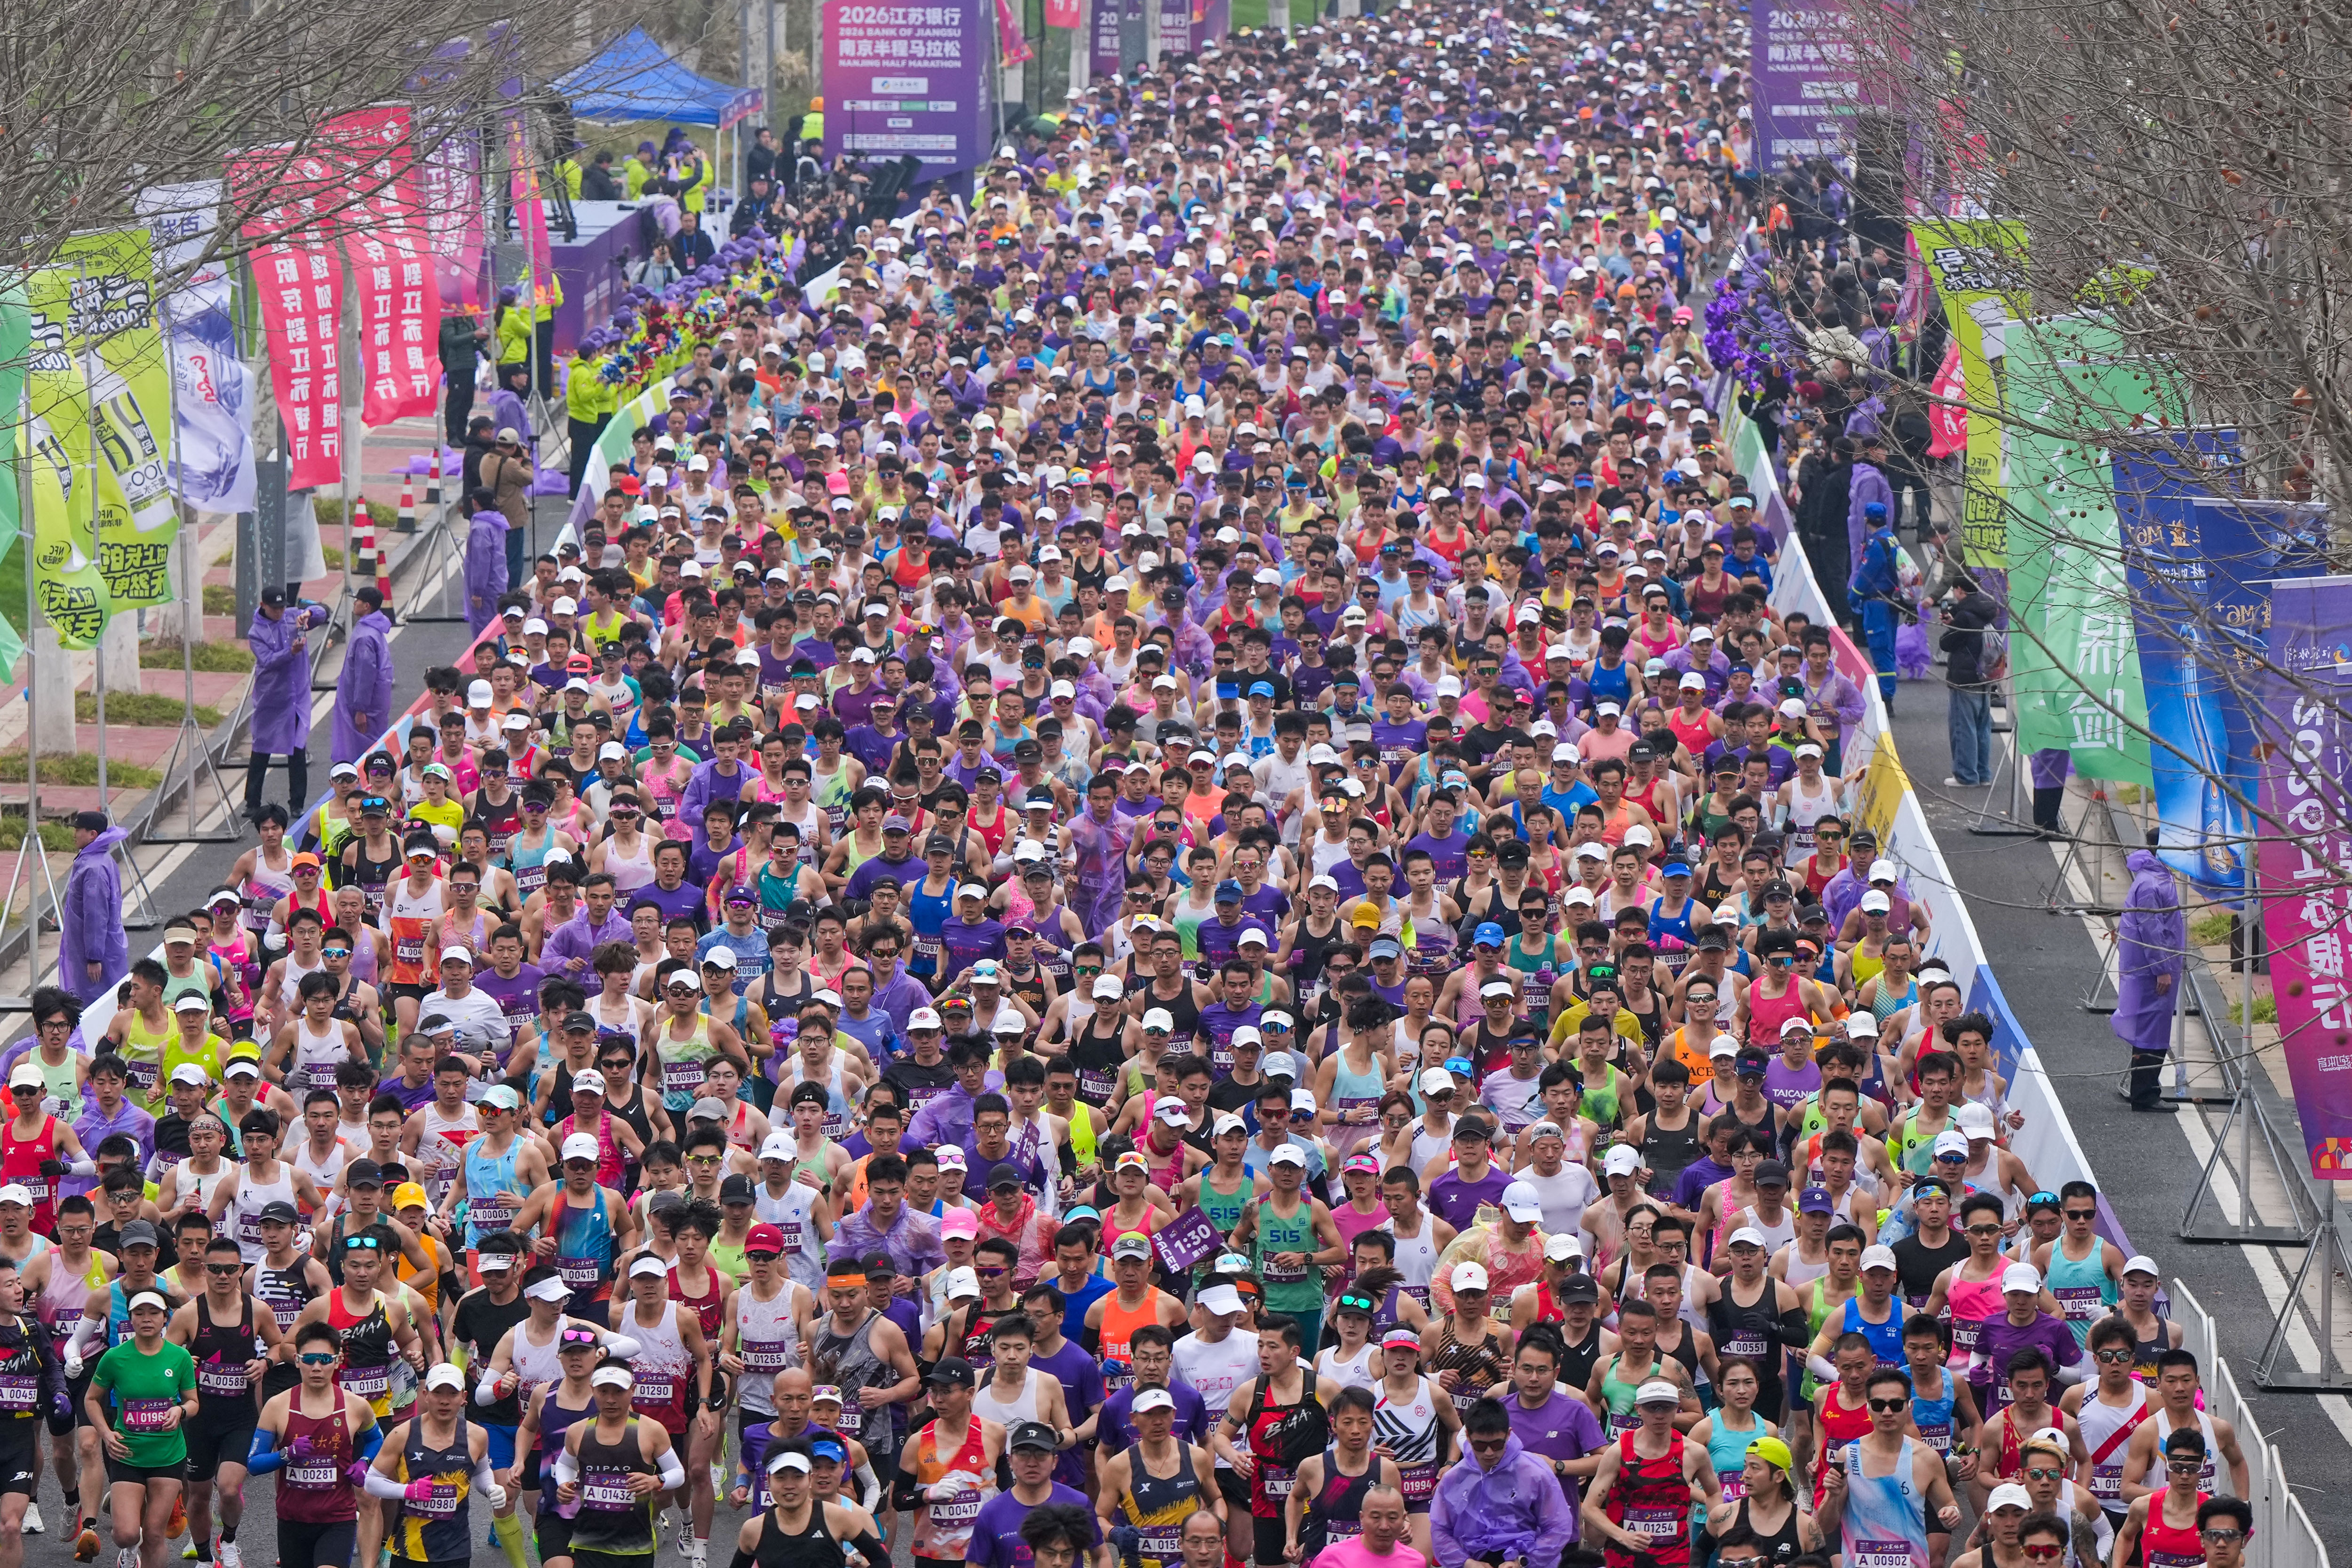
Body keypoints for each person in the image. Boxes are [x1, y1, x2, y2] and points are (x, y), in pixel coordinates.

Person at [244, 1319, 382, 1568]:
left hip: (338, 1518)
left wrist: (364, 1462)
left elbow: (376, 1439)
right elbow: (254, 1463)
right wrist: (287, 1454)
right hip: (293, 1519)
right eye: (309, 1360)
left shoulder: (356, 1406)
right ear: (297, 1360)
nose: (317, 1367)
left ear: (338, 1361)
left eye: (325, 1359)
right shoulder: (277, 1406)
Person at [86, 1288, 197, 1568]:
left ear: (165, 1318)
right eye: (139, 1313)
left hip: (167, 1454)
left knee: (155, 1535)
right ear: (130, 1319)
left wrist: (180, 1410)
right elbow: (91, 1399)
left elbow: (193, 1402)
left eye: (154, 1313)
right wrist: (106, 1433)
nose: (147, 1319)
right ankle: (129, 1546)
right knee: (126, 1535)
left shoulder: (180, 1357)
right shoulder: (115, 1357)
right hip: (128, 1453)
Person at [1815, 1365, 1962, 1568]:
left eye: (1896, 1405)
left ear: (1909, 1406)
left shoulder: (1927, 1458)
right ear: (1868, 1407)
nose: (1887, 1412)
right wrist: (1833, 1495)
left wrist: (1952, 1514)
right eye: (1878, 1405)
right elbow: (1826, 1526)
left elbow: (1949, 1506)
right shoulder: (1848, 1456)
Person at [1436, 1395, 1579, 1568]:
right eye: (1480, 1446)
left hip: (1527, 1558)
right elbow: (1440, 1530)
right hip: (1472, 1558)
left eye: (1497, 1444)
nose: (1489, 1453)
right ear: (1468, 1437)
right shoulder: (1454, 1478)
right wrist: (1466, 1563)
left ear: (1509, 1434)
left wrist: (1523, 1562)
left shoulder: (1535, 1473)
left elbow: (1558, 1527)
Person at [2112, 836, 2185, 1114]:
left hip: (2152, 967)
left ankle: (2145, 1091)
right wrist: (2162, 969)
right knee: (2151, 1032)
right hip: (2152, 971)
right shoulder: (2152, 884)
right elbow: (2152, 931)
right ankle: (2144, 1095)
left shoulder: (2154, 877)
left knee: (2150, 1029)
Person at [246, 586, 327, 824]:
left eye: (282, 608)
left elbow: (323, 612)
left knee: (297, 749)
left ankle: (297, 803)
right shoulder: (256, 632)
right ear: (263, 606)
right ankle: (252, 802)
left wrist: (309, 614)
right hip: (272, 697)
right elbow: (267, 660)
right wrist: (290, 652)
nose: (280, 612)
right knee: (261, 748)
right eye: (275, 609)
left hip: (297, 696)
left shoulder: (293, 616)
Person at [63, 812, 130, 1005]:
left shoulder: (94, 869)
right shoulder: (99, 860)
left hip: (94, 953)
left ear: (92, 834)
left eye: (78, 830)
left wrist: (94, 958)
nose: (75, 834)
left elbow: (95, 916)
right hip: (98, 948)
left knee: (95, 1003)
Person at [332, 586, 396, 766]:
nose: (355, 604)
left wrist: (361, 710)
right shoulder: (373, 630)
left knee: (363, 749)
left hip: (366, 706)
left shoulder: (364, 637)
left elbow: (365, 676)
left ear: (367, 606)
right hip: (375, 701)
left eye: (358, 601)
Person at [463, 488, 511, 635]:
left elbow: (481, 562)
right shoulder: (498, 522)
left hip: (486, 588)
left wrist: (477, 592)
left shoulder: (480, 528)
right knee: (497, 626)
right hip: (499, 581)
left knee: (484, 631)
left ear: (475, 503)